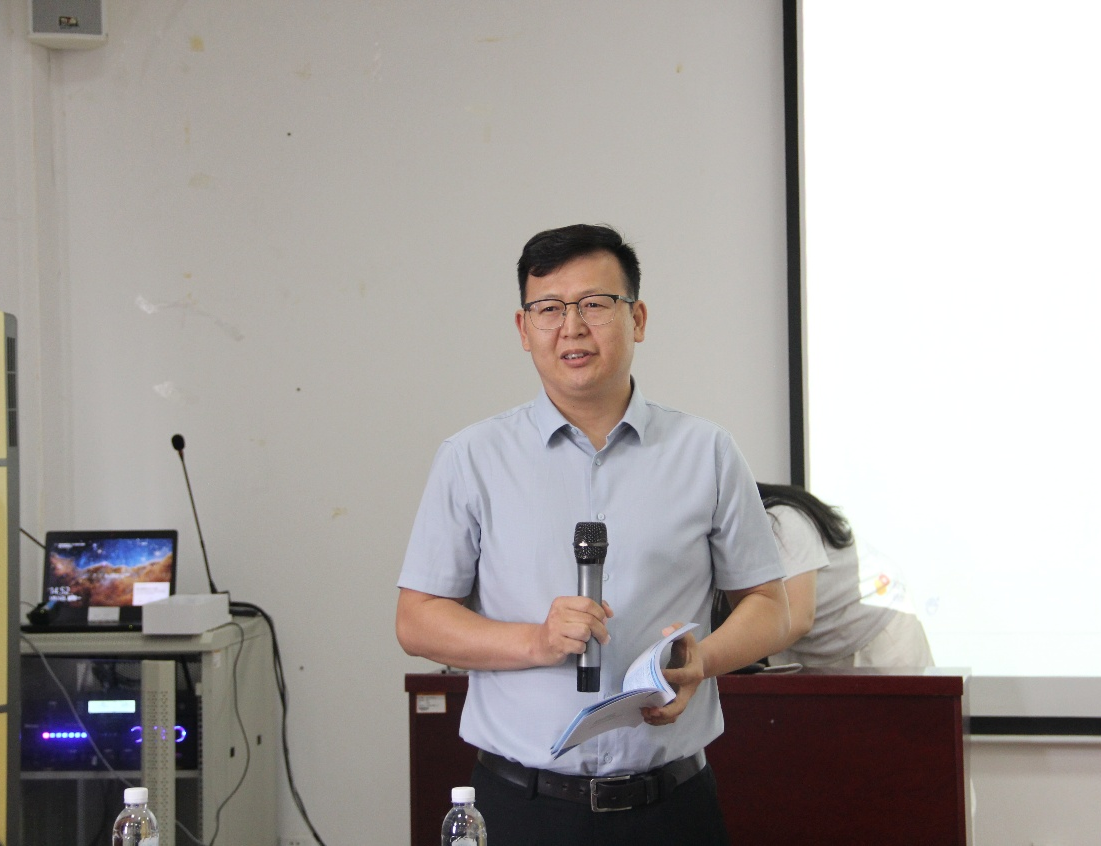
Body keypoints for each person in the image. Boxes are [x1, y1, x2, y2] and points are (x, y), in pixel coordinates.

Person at [396, 224, 788, 845]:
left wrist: (702, 663)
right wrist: (536, 641)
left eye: (595, 305)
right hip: (522, 806)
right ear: (524, 329)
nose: (571, 328)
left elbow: (769, 605)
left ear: (638, 318)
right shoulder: (472, 458)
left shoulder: (707, 452)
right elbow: (417, 620)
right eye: (549, 309)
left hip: (671, 806)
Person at [748, 482, 934, 668]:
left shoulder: (781, 518)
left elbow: (799, 619)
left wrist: (732, 656)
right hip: (818, 650)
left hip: (878, 630)